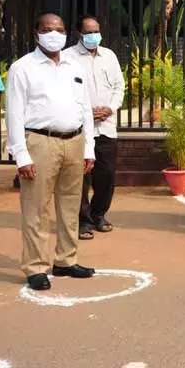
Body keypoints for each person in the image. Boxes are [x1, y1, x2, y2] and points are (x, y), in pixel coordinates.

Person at [4, 13, 96, 291]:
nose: (54, 34)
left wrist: (89, 147)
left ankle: (66, 260)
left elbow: (85, 109)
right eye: (47, 29)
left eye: (59, 29)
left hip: (74, 141)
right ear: (36, 33)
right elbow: (15, 114)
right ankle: (36, 266)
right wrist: (21, 154)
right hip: (40, 142)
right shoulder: (23, 68)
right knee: (36, 208)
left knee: (70, 205)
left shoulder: (74, 65)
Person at [71, 16, 124, 240]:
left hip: (106, 127)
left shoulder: (109, 56)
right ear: (79, 34)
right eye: (89, 32)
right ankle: (83, 221)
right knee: (80, 177)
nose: (94, 36)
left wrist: (110, 108)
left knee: (107, 174)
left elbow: (119, 87)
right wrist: (84, 111)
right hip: (80, 128)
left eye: (96, 31)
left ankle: (98, 214)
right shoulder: (67, 57)